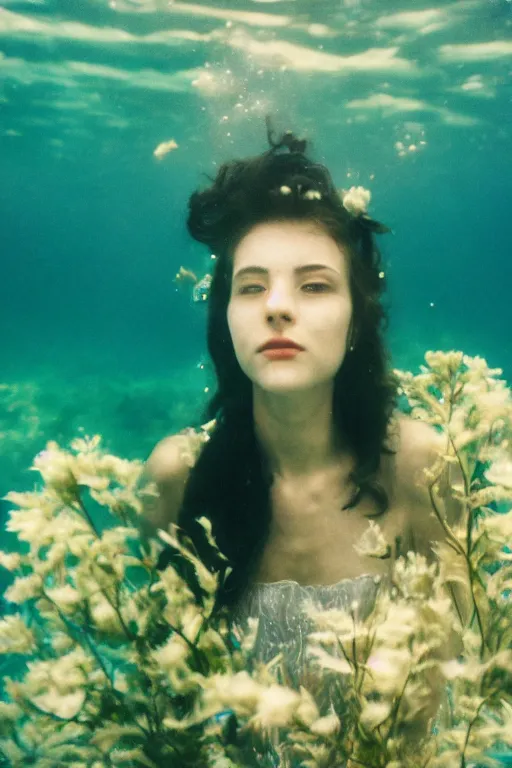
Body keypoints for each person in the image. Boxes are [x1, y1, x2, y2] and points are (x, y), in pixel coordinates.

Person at [141, 118, 470, 756]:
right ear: (226, 318)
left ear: (357, 318)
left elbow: (442, 705)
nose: (278, 307)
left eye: (314, 285)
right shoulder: (175, 473)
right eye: (252, 286)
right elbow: (164, 707)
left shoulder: (422, 466)